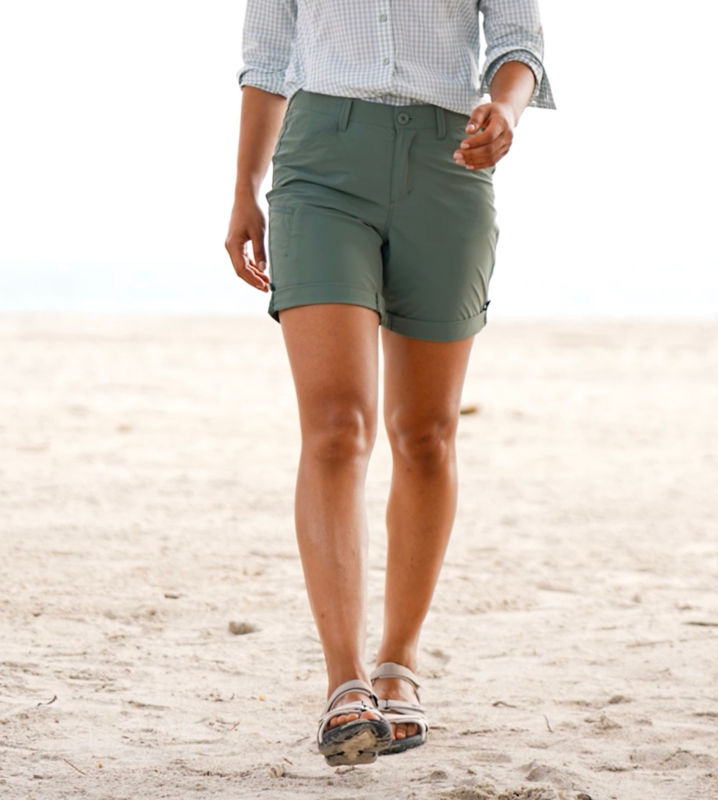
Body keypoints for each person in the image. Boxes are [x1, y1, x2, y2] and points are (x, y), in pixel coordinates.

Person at [225, 0, 555, 768]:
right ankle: (345, 685)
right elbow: (267, 58)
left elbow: (519, 43)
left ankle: (397, 665)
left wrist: (506, 112)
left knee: (426, 434)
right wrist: (244, 186)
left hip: (450, 160)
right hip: (320, 162)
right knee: (337, 427)